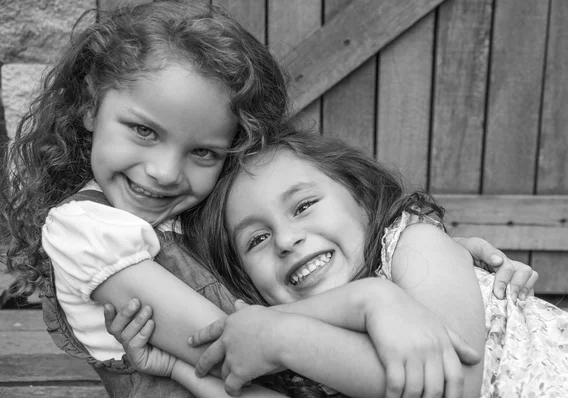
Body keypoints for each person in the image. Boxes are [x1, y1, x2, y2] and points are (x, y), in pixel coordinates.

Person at [0, 2, 537, 398]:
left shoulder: (183, 214)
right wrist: (374, 298)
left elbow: (266, 329)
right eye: (143, 131)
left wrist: (427, 258)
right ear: (91, 106)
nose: (164, 172)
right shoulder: (88, 230)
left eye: (204, 153)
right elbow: (231, 343)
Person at [106, 128, 568, 398]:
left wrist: (284, 334)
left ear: (361, 198)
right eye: (256, 238)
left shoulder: (415, 243)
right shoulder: (297, 349)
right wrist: (180, 369)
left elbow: (452, 388)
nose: (287, 239)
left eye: (302, 206)